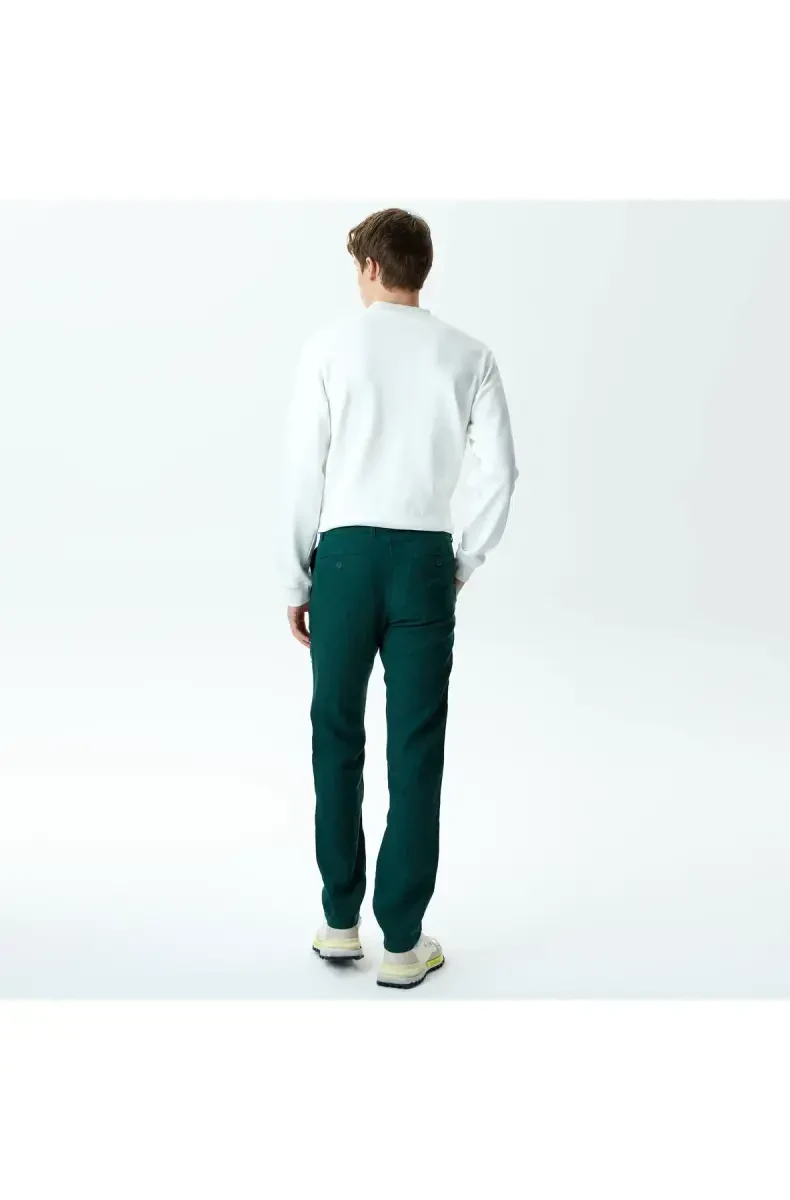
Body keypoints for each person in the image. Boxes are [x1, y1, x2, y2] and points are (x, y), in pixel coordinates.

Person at [280, 207, 518, 989]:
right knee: (417, 749)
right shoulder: (470, 355)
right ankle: (405, 942)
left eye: (358, 267)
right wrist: (459, 564)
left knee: (335, 736)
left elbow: (303, 469)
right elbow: (501, 471)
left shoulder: (327, 347)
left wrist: (296, 578)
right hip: (423, 560)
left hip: (343, 559)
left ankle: (339, 921)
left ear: (373, 267)